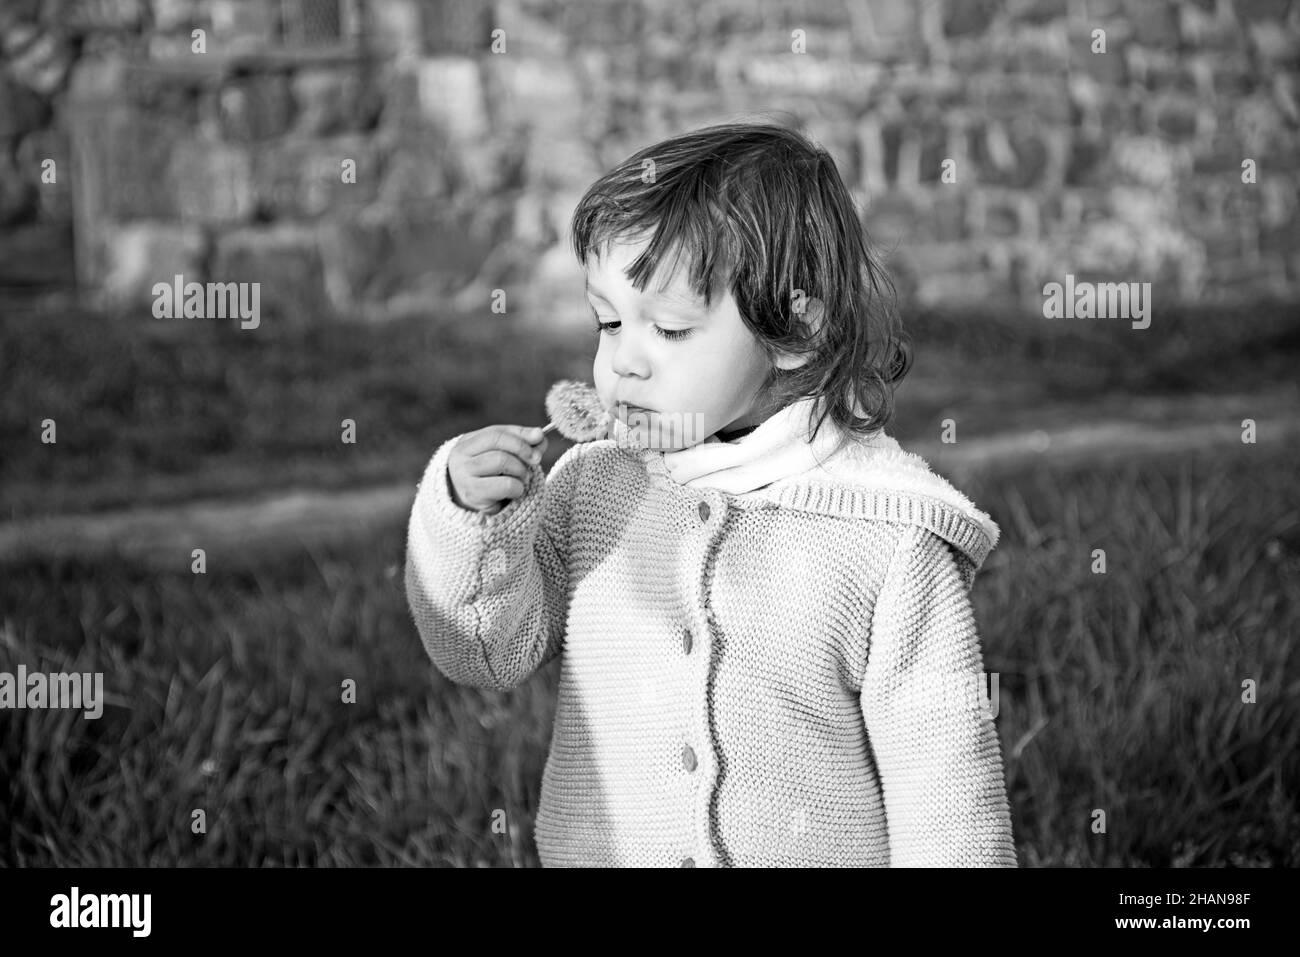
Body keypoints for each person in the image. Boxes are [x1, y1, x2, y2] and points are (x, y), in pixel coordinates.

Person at [404, 122, 1017, 867]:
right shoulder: (597, 488)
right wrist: (473, 520)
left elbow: (946, 791)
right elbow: (482, 652)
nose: (623, 360)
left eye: (667, 327)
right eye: (607, 321)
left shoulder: (886, 539)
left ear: (793, 329)